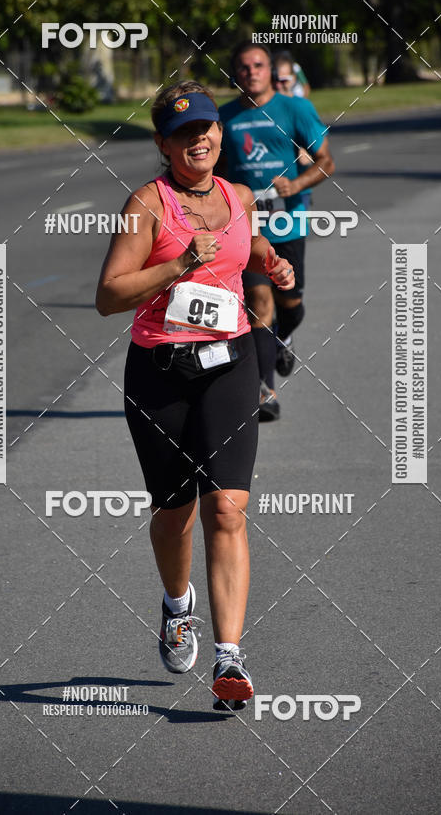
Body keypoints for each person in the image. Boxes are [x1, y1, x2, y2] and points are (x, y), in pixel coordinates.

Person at [95, 81, 294, 710]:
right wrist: (176, 265)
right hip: (160, 371)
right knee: (173, 514)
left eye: (205, 128)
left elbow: (245, 250)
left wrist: (270, 259)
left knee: (227, 511)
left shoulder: (237, 195)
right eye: (184, 134)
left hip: (229, 363)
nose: (199, 139)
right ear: (163, 144)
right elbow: (109, 295)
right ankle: (177, 604)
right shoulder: (145, 206)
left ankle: (229, 658)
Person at [219, 41, 335, 421]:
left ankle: (284, 336)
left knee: (290, 303)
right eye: (243, 67)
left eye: (258, 65)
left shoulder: (294, 109)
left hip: (288, 220)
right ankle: (264, 390)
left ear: (271, 70)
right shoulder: (225, 118)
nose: (251, 72)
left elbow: (326, 162)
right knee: (258, 302)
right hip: (247, 227)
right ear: (235, 73)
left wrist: (296, 185)